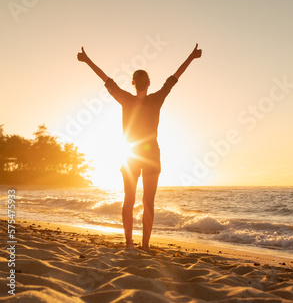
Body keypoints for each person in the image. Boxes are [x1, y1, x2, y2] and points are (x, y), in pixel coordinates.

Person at [77, 44, 202, 251]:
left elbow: (106, 79)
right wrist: (192, 56)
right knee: (148, 202)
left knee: (129, 199)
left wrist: (87, 59)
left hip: (130, 155)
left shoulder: (126, 98)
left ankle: (128, 243)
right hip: (151, 154)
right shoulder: (157, 98)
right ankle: (145, 245)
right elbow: (174, 78)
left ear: (133, 83)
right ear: (149, 83)